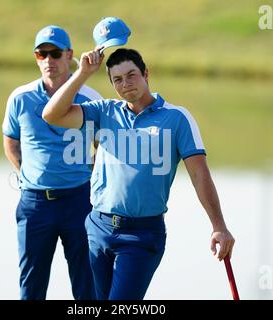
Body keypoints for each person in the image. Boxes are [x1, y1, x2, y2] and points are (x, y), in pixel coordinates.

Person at [41, 47, 235, 300]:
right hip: (98, 229)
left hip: (142, 234)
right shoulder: (103, 111)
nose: (126, 84)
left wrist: (218, 226)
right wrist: (82, 73)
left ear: (146, 74)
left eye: (131, 75)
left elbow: (200, 175)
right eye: (117, 79)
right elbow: (51, 114)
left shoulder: (176, 118)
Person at [2, 25, 102, 300]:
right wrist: (26, 174)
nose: (49, 61)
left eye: (55, 53)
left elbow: (106, 147)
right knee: (31, 286)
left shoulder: (91, 99)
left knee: (86, 285)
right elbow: (11, 141)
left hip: (78, 201)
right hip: (35, 204)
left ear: (69, 55)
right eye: (41, 54)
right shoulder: (20, 98)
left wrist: (93, 175)